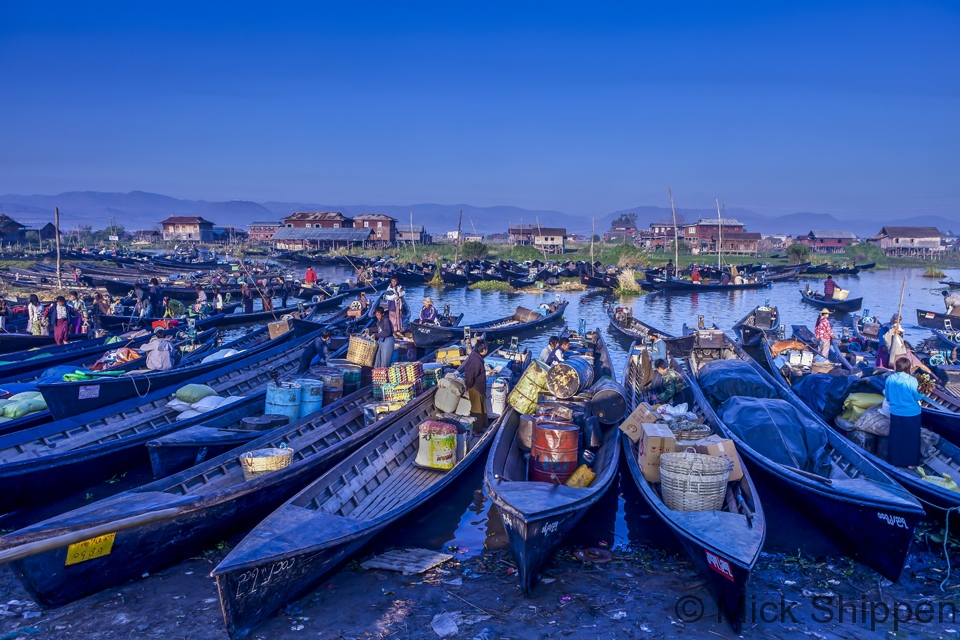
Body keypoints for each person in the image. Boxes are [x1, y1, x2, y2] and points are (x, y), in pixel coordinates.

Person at [884, 357, 924, 467]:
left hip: (896, 412)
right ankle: (911, 463)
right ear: (907, 367)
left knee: (896, 437)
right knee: (911, 438)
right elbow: (917, 397)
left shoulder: (890, 379)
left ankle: (894, 461)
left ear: (896, 367)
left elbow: (887, 397)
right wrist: (924, 393)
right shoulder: (912, 380)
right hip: (912, 413)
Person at [459, 338, 489, 435]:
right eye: (486, 349)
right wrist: (469, 385)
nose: (487, 350)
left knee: (481, 407)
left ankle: (482, 426)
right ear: (483, 350)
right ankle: (476, 429)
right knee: (477, 409)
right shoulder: (476, 360)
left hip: (479, 388)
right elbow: (469, 376)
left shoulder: (476, 356)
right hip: (475, 388)